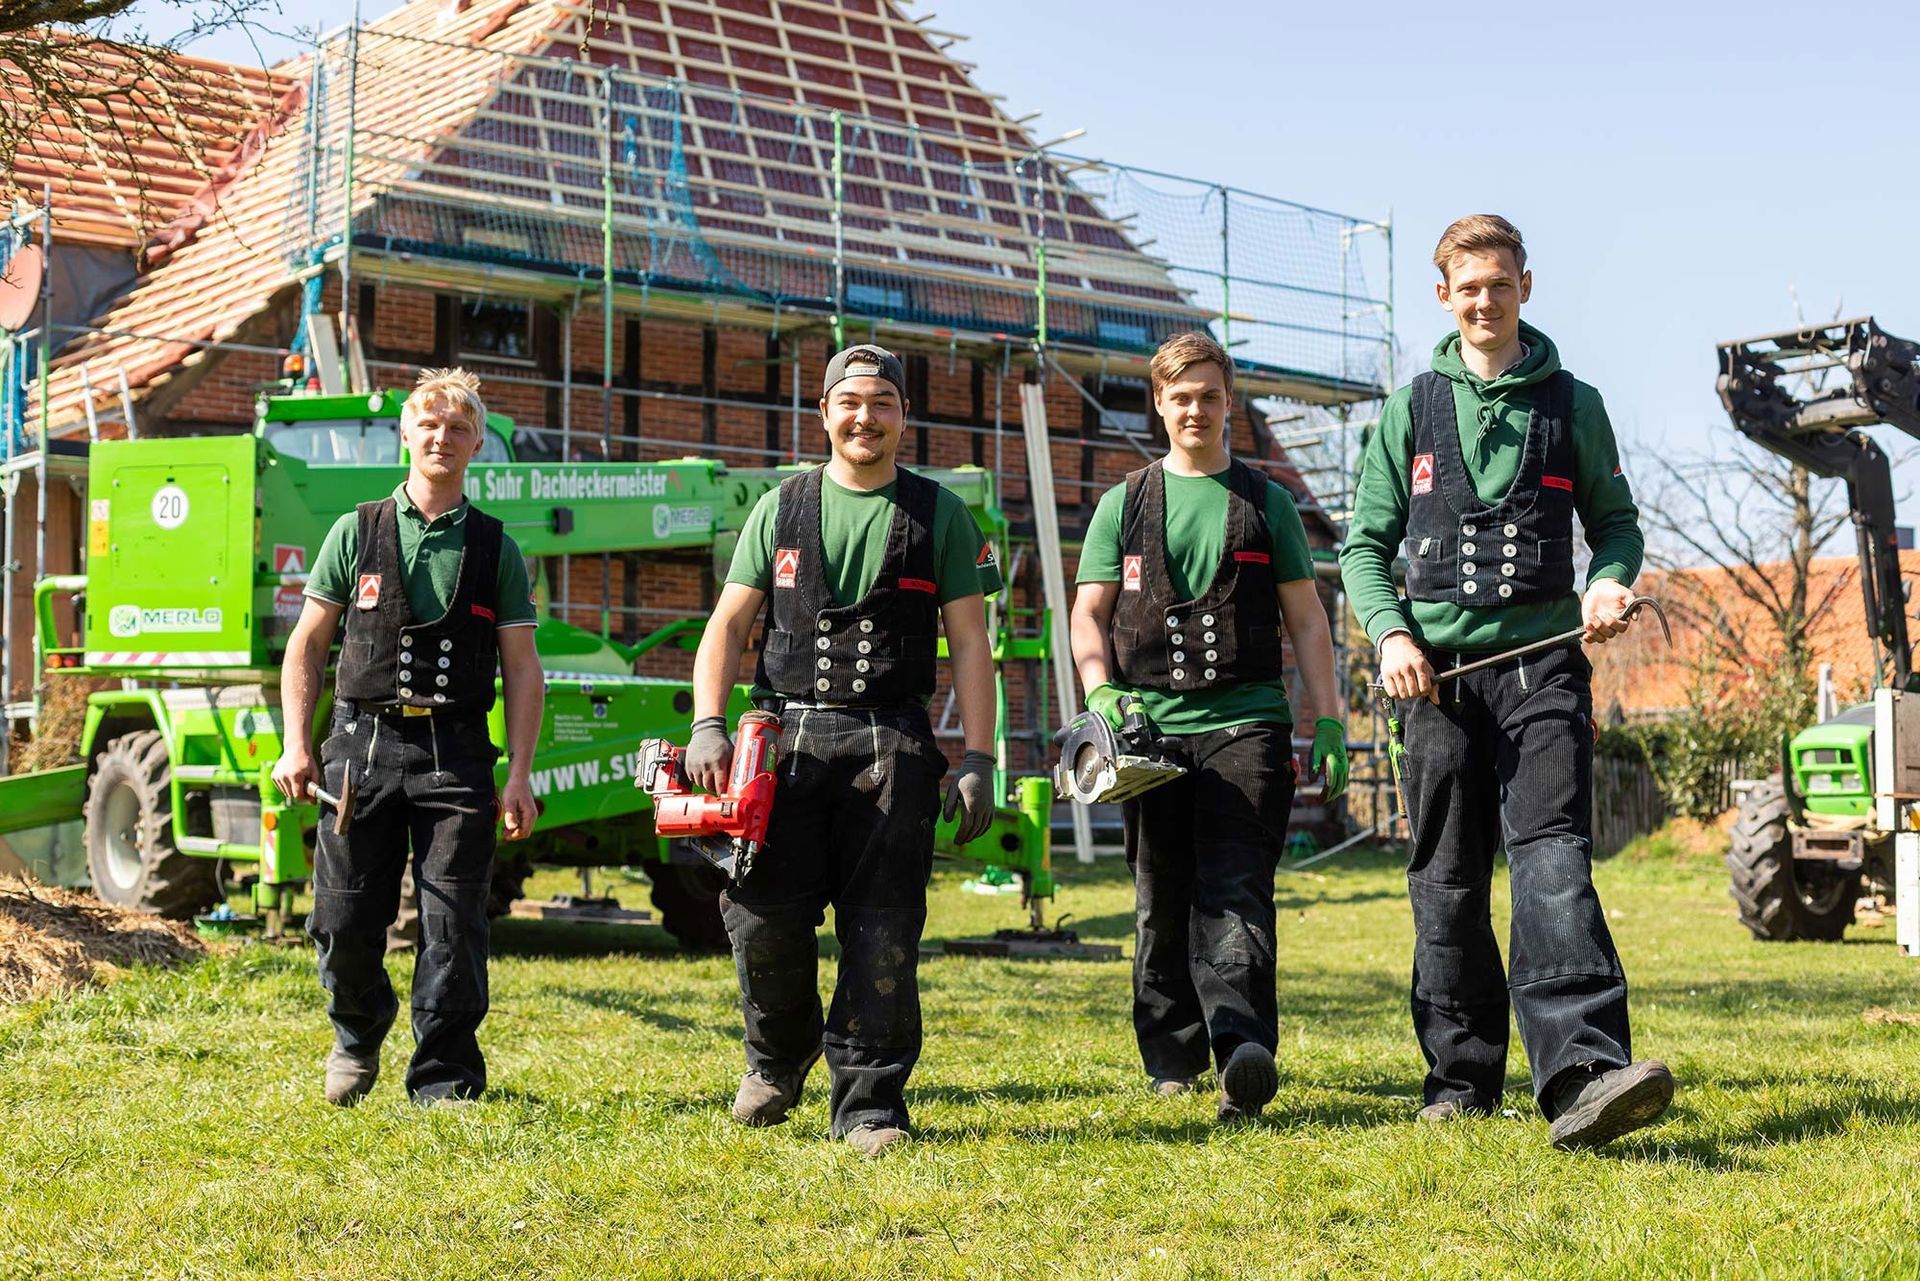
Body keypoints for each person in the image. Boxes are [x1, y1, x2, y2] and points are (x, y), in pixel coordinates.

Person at [1339, 214, 1673, 1150]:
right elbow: (1363, 549)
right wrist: (1391, 634)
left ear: (1525, 285)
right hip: (1434, 683)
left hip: (1545, 670)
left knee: (1553, 857)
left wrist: (1608, 582)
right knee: (1445, 879)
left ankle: (1583, 1072)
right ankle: (1460, 1078)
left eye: (1499, 283)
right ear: (1443, 296)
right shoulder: (1407, 411)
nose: (1484, 300)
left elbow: (1617, 526)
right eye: (1468, 286)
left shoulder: (1575, 404)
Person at [688, 343, 1002, 1157]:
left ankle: (868, 1102)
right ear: (825, 413)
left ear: (904, 416)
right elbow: (727, 624)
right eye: (851, 402)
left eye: (883, 402)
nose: (866, 417)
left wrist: (978, 757)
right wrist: (707, 723)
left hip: (893, 741)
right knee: (759, 915)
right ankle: (776, 1059)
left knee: (883, 926)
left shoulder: (941, 514)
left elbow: (971, 643)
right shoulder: (779, 507)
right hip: (783, 742)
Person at [1069, 331, 1348, 1123]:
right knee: (1160, 894)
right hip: (1147, 734)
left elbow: (1308, 620)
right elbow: (1087, 614)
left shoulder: (1268, 504)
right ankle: (1171, 1055)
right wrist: (1100, 691)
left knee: (1236, 889)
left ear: (1230, 403)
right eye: (1182, 396)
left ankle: (1241, 1051)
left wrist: (1329, 720)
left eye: (1210, 396)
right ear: (1159, 402)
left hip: (1247, 723)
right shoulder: (1122, 504)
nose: (1196, 409)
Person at [272, 367, 542, 1107]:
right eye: (429, 425)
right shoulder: (353, 531)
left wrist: (519, 774)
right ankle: (357, 1035)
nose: (442, 438)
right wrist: (296, 742)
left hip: (456, 754)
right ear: (405, 435)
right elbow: (306, 645)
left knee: (454, 924)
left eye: (458, 428)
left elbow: (523, 669)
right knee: (341, 916)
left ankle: (444, 1076)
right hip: (358, 750)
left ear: (477, 444)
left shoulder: (496, 548)